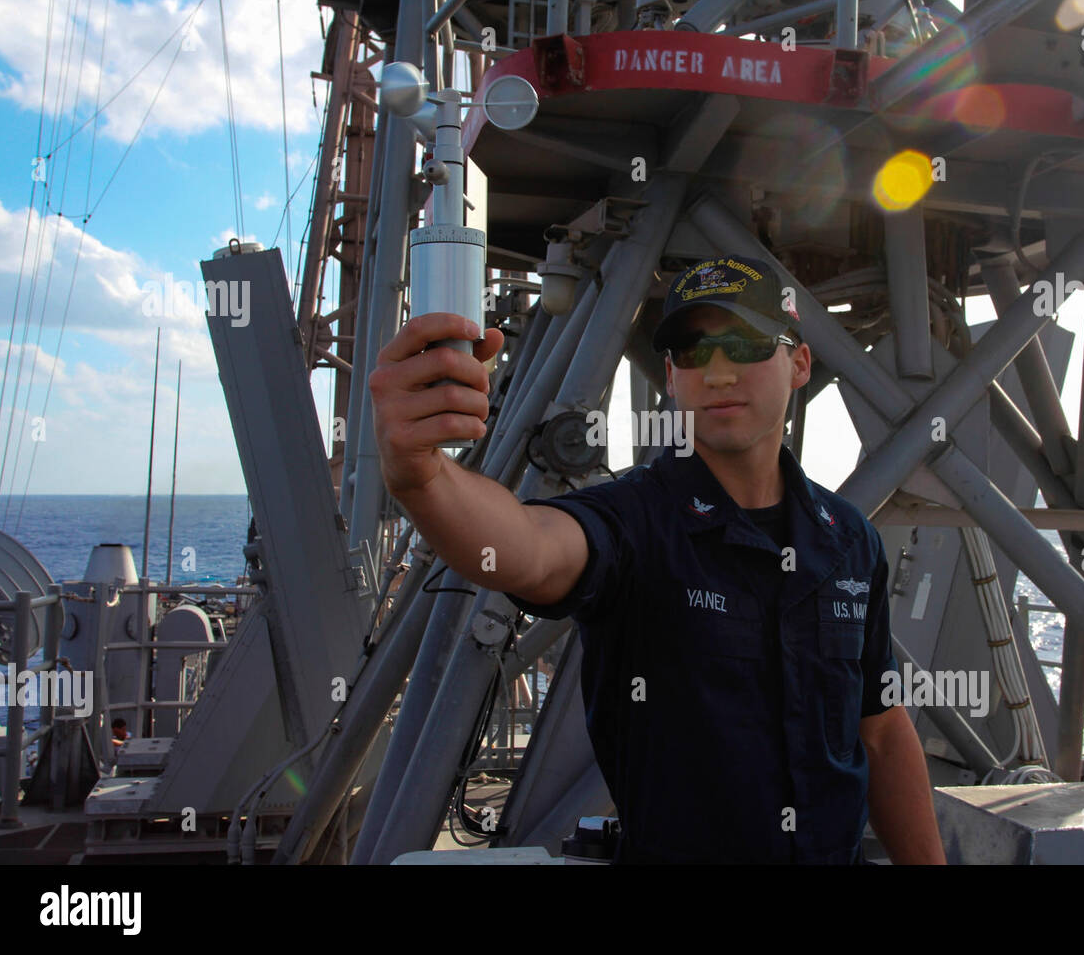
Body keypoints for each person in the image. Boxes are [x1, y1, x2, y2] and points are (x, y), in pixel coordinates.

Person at [369, 255, 947, 864]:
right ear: (670, 377)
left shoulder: (850, 540)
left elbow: (880, 729)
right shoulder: (636, 521)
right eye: (693, 353)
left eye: (745, 345)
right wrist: (422, 477)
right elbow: (531, 551)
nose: (718, 373)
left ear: (799, 362)